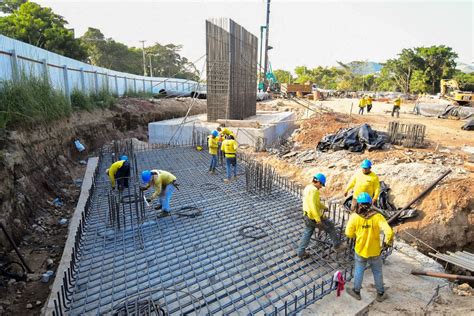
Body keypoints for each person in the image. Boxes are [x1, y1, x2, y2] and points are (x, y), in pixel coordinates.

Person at [345, 192, 394, 302]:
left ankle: (356, 292)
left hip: (360, 250)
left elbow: (348, 233)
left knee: (359, 270)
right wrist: (386, 243)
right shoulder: (377, 217)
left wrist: (355, 236)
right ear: (370, 204)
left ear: (358, 204)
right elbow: (389, 232)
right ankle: (380, 294)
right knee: (377, 272)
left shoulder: (354, 217)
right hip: (375, 251)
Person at [296, 173, 342, 259]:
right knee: (331, 227)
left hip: (306, 216)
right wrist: (318, 220)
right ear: (319, 182)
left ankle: (300, 252)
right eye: (321, 185)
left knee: (308, 232)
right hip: (313, 217)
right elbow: (313, 206)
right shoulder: (314, 191)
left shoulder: (308, 187)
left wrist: (323, 207)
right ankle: (337, 246)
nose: (321, 187)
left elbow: (315, 203)